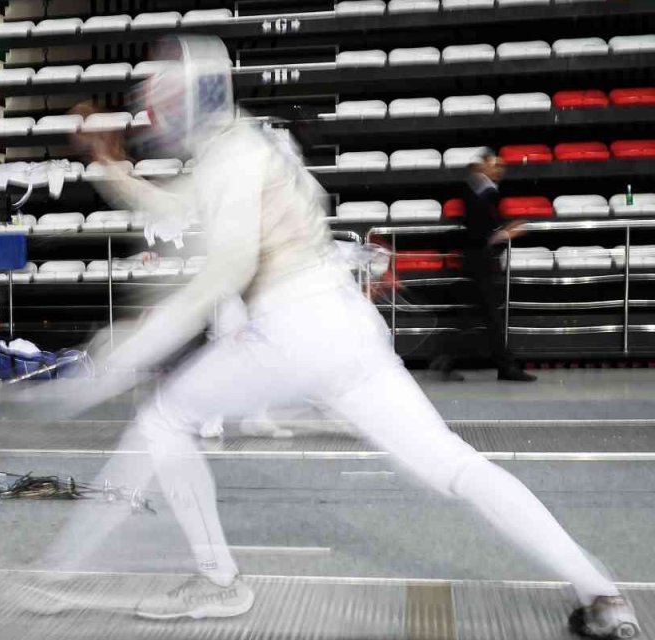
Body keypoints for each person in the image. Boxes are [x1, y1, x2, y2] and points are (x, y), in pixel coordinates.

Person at [33, 36, 636, 639]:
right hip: (347, 327)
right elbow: (179, 211)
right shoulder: (247, 144)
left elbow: (224, 270)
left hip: (293, 329)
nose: (158, 116)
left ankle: (204, 582)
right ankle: (602, 594)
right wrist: (108, 168)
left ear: (189, 99)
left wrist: (121, 357)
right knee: (454, 465)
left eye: (164, 101)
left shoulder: (231, 155)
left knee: (163, 419)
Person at [430, 151, 536, 382]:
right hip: (479, 261)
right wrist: (507, 234)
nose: (500, 169)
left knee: (478, 317)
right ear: (483, 165)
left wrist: (502, 232)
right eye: (495, 165)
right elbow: (481, 232)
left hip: (477, 260)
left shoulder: (481, 189)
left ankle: (448, 359)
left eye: (502, 166)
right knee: (489, 317)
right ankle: (504, 367)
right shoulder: (481, 190)